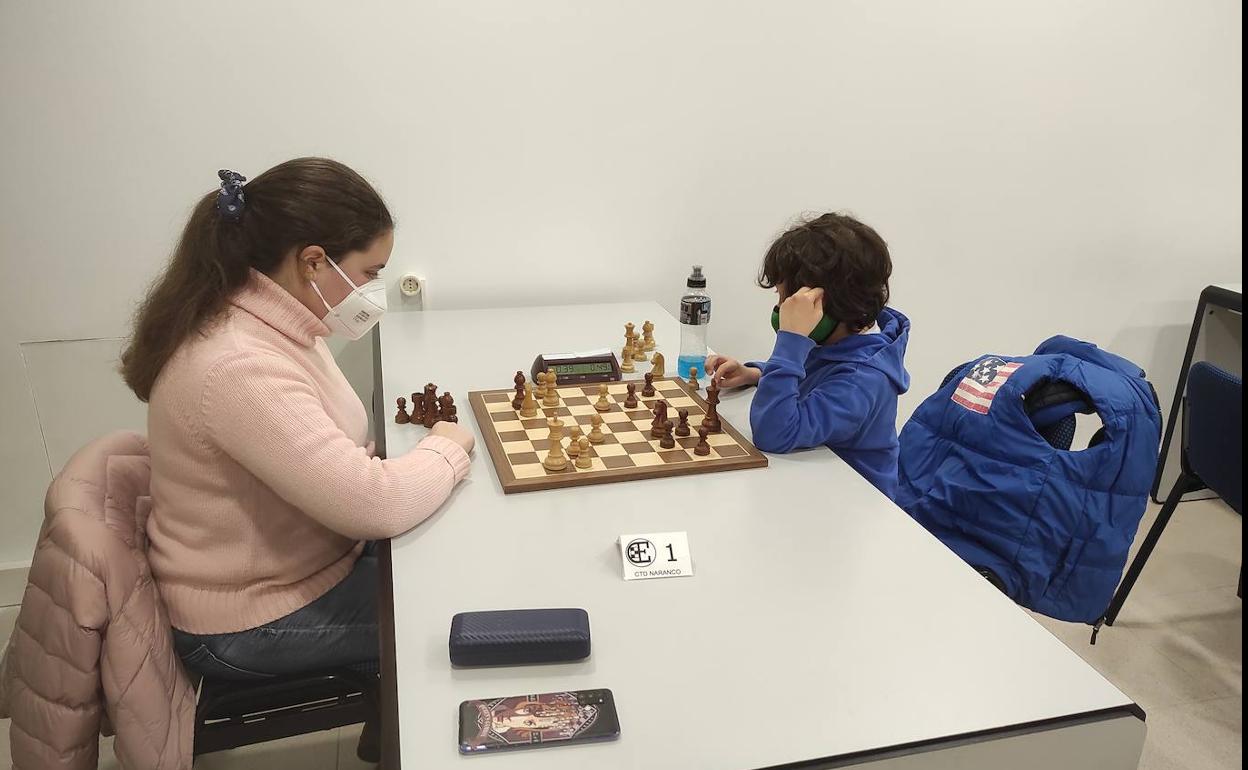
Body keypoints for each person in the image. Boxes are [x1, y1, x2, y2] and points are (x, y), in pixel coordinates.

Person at [121, 158, 475, 682]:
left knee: (454, 554)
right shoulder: (238, 365)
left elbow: (336, 462)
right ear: (313, 262)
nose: (372, 289)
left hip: (309, 565)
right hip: (249, 621)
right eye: (369, 273)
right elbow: (375, 505)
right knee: (458, 619)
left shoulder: (272, 320)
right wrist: (448, 447)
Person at [705, 212, 910, 498]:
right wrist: (756, 374)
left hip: (851, 502)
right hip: (811, 480)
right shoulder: (840, 343)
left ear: (823, 306)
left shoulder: (862, 380)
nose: (780, 311)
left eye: (787, 300)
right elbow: (816, 378)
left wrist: (792, 340)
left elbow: (773, 433)